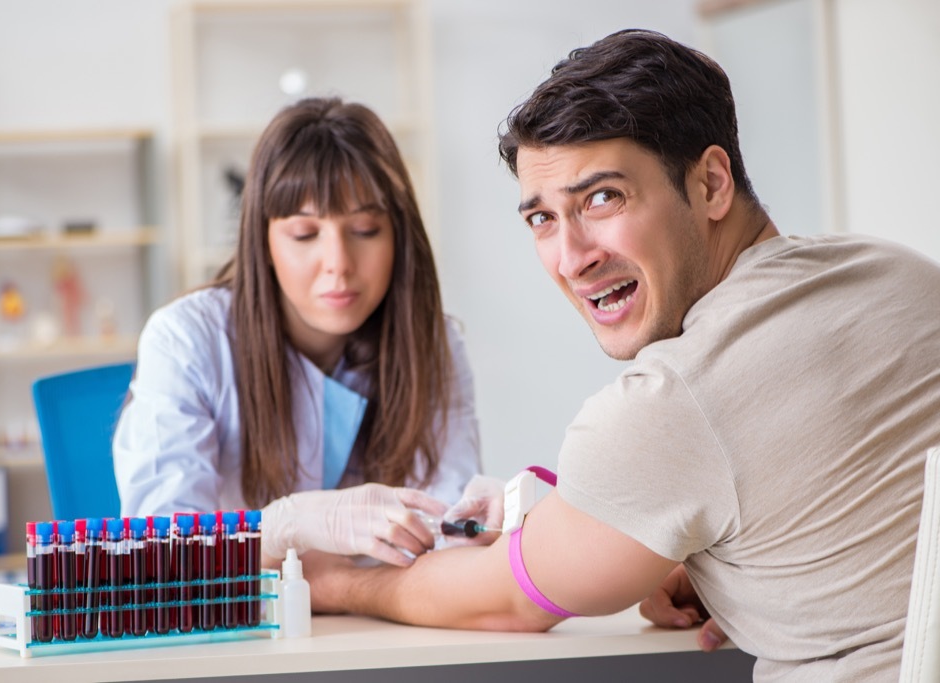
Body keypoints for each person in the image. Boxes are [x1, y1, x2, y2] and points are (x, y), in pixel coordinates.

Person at [303, 29, 940, 681]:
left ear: (712, 183)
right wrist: (712, 565)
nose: (572, 256)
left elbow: (511, 599)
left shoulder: (676, 397)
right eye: (542, 218)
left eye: (603, 198)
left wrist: (335, 583)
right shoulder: (905, 276)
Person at [113, 97, 486, 568]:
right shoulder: (186, 340)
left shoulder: (433, 346)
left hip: (376, 632)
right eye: (305, 234)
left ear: (399, 236)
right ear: (263, 241)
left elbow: (447, 540)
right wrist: (286, 527)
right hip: (236, 631)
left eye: (366, 229)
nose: (339, 265)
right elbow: (158, 555)